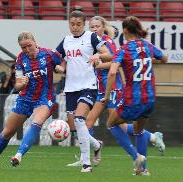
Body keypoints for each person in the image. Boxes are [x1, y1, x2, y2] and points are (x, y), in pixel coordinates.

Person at [67, 16, 165, 169]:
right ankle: (86, 155)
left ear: (103, 28)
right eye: (91, 27)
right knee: (87, 123)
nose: (94, 29)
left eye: (97, 26)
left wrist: (96, 64)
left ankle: (141, 152)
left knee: (118, 125)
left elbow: (113, 64)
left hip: (113, 87)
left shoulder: (108, 42)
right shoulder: (89, 41)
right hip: (99, 88)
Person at [0, 31, 63, 170]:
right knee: (7, 132)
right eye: (23, 47)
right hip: (25, 98)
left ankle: (18, 155)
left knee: (37, 122)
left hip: (44, 98)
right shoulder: (20, 59)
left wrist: (60, 67)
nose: (27, 49)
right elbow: (17, 85)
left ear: (35, 42)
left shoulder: (49, 54)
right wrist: (21, 83)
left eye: (29, 45)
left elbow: (63, 62)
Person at [100, 16, 168, 175]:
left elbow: (112, 72)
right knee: (138, 130)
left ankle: (136, 156)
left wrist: (107, 95)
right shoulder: (148, 46)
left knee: (111, 124)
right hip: (150, 97)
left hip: (133, 98)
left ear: (124, 31)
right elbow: (164, 58)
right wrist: (150, 61)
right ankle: (142, 170)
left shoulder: (124, 49)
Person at [55, 10, 112, 172]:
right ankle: (96, 144)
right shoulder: (65, 41)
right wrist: (59, 67)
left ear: (84, 24)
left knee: (80, 119)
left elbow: (109, 54)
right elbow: (60, 59)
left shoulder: (91, 37)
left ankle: (86, 164)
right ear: (69, 24)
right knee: (74, 129)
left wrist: (97, 56)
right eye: (72, 24)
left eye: (78, 24)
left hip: (88, 86)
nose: (75, 27)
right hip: (71, 88)